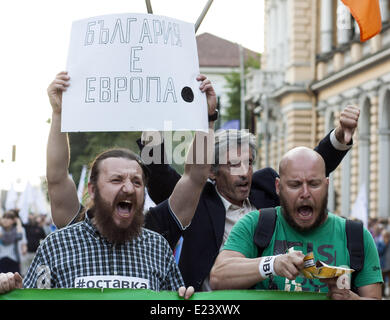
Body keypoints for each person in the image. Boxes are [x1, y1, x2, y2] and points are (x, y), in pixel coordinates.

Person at [48, 83, 360, 291]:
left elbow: (308, 170)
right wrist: (152, 124)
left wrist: (339, 139)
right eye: (116, 180)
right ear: (212, 171)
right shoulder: (191, 203)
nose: (243, 172)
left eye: (248, 162)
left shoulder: (154, 242)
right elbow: (174, 172)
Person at [0, 148, 197, 298]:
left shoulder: (158, 247)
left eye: (137, 182)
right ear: (92, 190)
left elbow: (195, 178)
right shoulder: (56, 246)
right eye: (117, 180)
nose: (129, 188)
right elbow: (56, 176)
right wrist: (15, 293)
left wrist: (183, 299)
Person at [209, 147, 383, 300]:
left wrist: (351, 299)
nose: (305, 193)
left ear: (327, 185)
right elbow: (218, 277)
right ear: (278, 187)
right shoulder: (254, 224)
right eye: (295, 185)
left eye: (314, 184)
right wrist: (272, 264)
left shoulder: (356, 236)